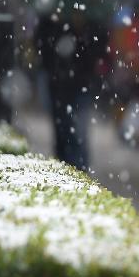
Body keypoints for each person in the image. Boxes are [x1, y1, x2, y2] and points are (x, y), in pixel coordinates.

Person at [35, 12, 106, 171]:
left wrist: (79, 34)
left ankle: (79, 170)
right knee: (62, 130)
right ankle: (66, 168)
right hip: (58, 85)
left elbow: (97, 48)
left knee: (78, 132)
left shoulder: (90, 21)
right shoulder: (51, 20)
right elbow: (42, 47)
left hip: (81, 84)